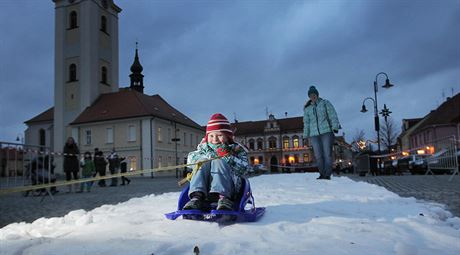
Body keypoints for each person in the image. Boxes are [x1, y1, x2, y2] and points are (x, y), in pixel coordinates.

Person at [183, 113, 249, 211]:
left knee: (219, 161)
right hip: (205, 187)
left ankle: (223, 198)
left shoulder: (236, 150)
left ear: (227, 136)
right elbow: (190, 159)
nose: (215, 139)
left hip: (229, 188)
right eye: (211, 136)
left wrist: (228, 157)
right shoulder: (203, 148)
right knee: (201, 161)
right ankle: (197, 197)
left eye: (219, 135)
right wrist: (207, 157)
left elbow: (244, 168)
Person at [303, 85, 341, 180]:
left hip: (326, 132)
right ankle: (322, 173)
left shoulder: (325, 103)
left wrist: (335, 126)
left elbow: (332, 114)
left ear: (317, 95)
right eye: (311, 95)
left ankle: (327, 174)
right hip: (314, 134)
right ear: (309, 96)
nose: (313, 96)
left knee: (327, 154)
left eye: (314, 94)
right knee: (318, 155)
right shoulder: (307, 109)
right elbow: (306, 123)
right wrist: (305, 136)